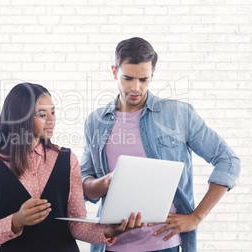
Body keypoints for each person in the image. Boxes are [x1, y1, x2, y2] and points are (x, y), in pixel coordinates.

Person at [80, 37, 241, 252]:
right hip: (110, 245)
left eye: (144, 79)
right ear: (114, 71)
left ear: (152, 76)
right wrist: (108, 181)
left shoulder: (178, 114)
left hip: (165, 245)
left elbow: (228, 161)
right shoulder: (95, 122)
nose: (136, 88)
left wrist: (196, 217)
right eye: (128, 78)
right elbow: (85, 188)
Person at [0, 82, 143, 252]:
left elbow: (75, 224)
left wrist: (111, 231)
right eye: (42, 115)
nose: (52, 120)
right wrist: (16, 221)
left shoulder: (67, 159)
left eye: (53, 112)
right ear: (20, 117)